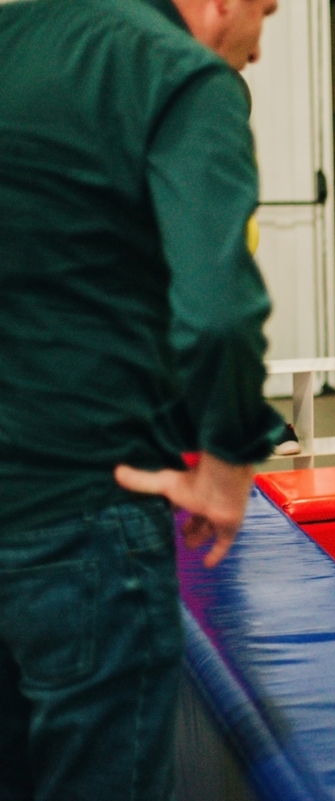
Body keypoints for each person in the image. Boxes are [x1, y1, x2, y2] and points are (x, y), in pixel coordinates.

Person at [0, 0, 279, 796]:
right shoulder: (178, 74)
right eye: (267, 12)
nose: (257, 48)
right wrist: (227, 466)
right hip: (82, 500)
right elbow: (220, 313)